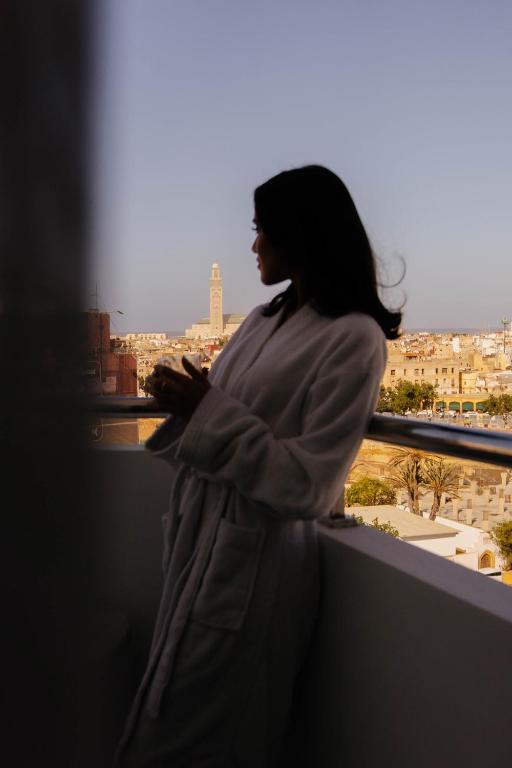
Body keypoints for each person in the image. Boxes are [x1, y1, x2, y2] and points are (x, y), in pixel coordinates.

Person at [116, 165, 402, 767]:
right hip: (203, 548)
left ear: (300, 234)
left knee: (211, 740)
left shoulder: (352, 339)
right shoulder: (261, 322)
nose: (253, 245)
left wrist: (207, 409)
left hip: (254, 572)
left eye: (261, 230)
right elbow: (216, 415)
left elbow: (310, 484)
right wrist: (190, 401)